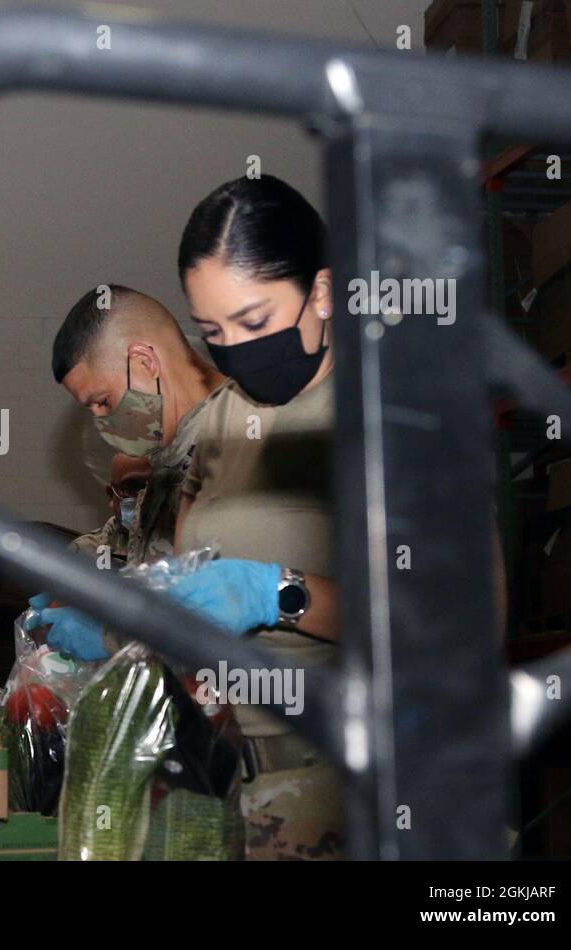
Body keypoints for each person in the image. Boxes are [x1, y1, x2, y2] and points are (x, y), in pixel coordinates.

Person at [163, 174, 342, 860]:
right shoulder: (222, 418)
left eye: (255, 322)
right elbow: (186, 571)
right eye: (212, 332)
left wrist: (281, 594)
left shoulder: (393, 415)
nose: (235, 351)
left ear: (322, 292)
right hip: (230, 751)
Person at [30, 285, 224, 659]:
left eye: (102, 401)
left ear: (144, 362)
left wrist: (110, 639)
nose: (102, 422)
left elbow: (233, 625)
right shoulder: (170, 462)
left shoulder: (235, 444)